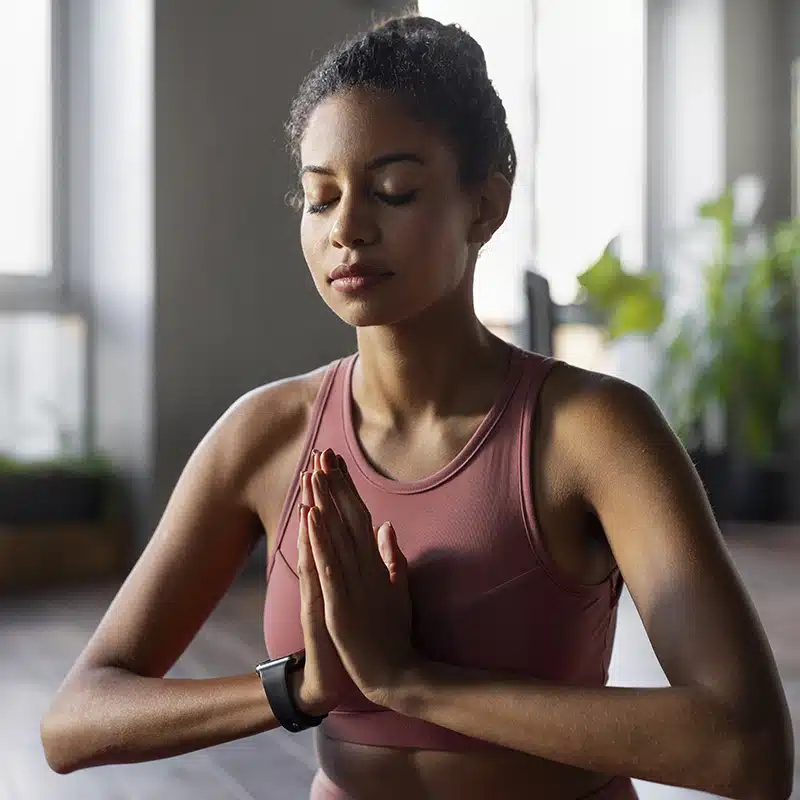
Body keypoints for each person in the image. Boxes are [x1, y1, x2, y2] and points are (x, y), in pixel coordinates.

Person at [41, 12, 793, 800]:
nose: (348, 229)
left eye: (393, 192)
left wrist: (411, 682)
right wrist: (299, 690)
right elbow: (77, 720)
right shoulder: (264, 436)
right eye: (319, 198)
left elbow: (747, 747)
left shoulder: (590, 433)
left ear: (485, 207)